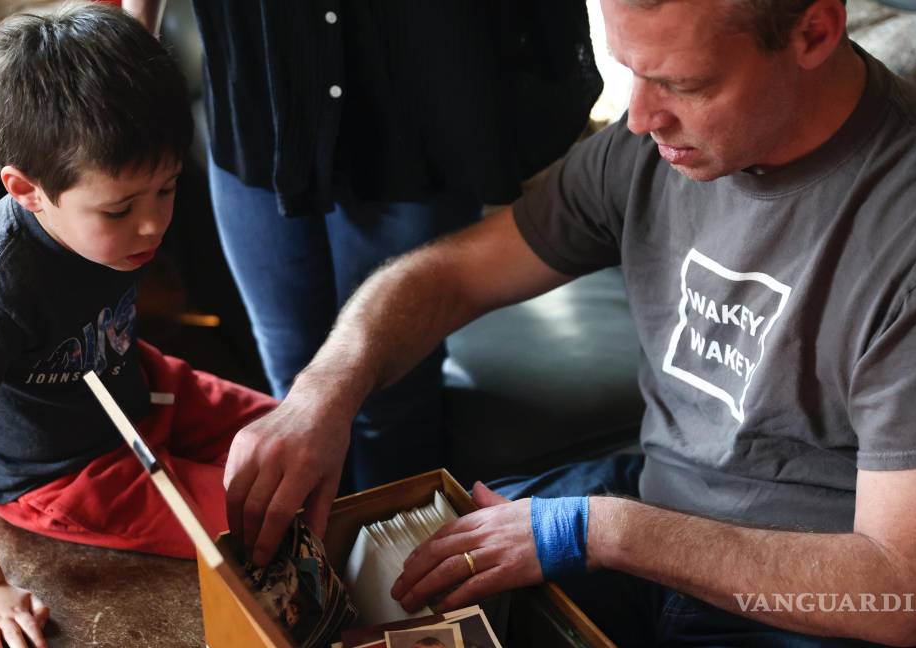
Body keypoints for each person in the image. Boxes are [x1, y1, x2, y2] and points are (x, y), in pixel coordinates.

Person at [219, 0, 916, 644]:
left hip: (812, 603)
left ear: (815, 33)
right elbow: (452, 273)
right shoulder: (656, 144)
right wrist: (326, 389)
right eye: (629, 71)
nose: (639, 117)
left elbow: (904, 591)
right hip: (647, 511)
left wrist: (599, 532)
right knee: (369, 605)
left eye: (679, 82)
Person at [0, 6, 275, 648]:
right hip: (66, 470)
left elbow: (137, 31)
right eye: (120, 208)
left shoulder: (117, 196)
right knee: (265, 524)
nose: (152, 225)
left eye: (167, 190)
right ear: (26, 190)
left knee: (290, 446)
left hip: (136, 382)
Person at [124, 0, 602, 491]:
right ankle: (311, 557)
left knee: (392, 390)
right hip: (262, 80)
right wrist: (134, 36)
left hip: (409, 97)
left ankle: (393, 557)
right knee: (290, 378)